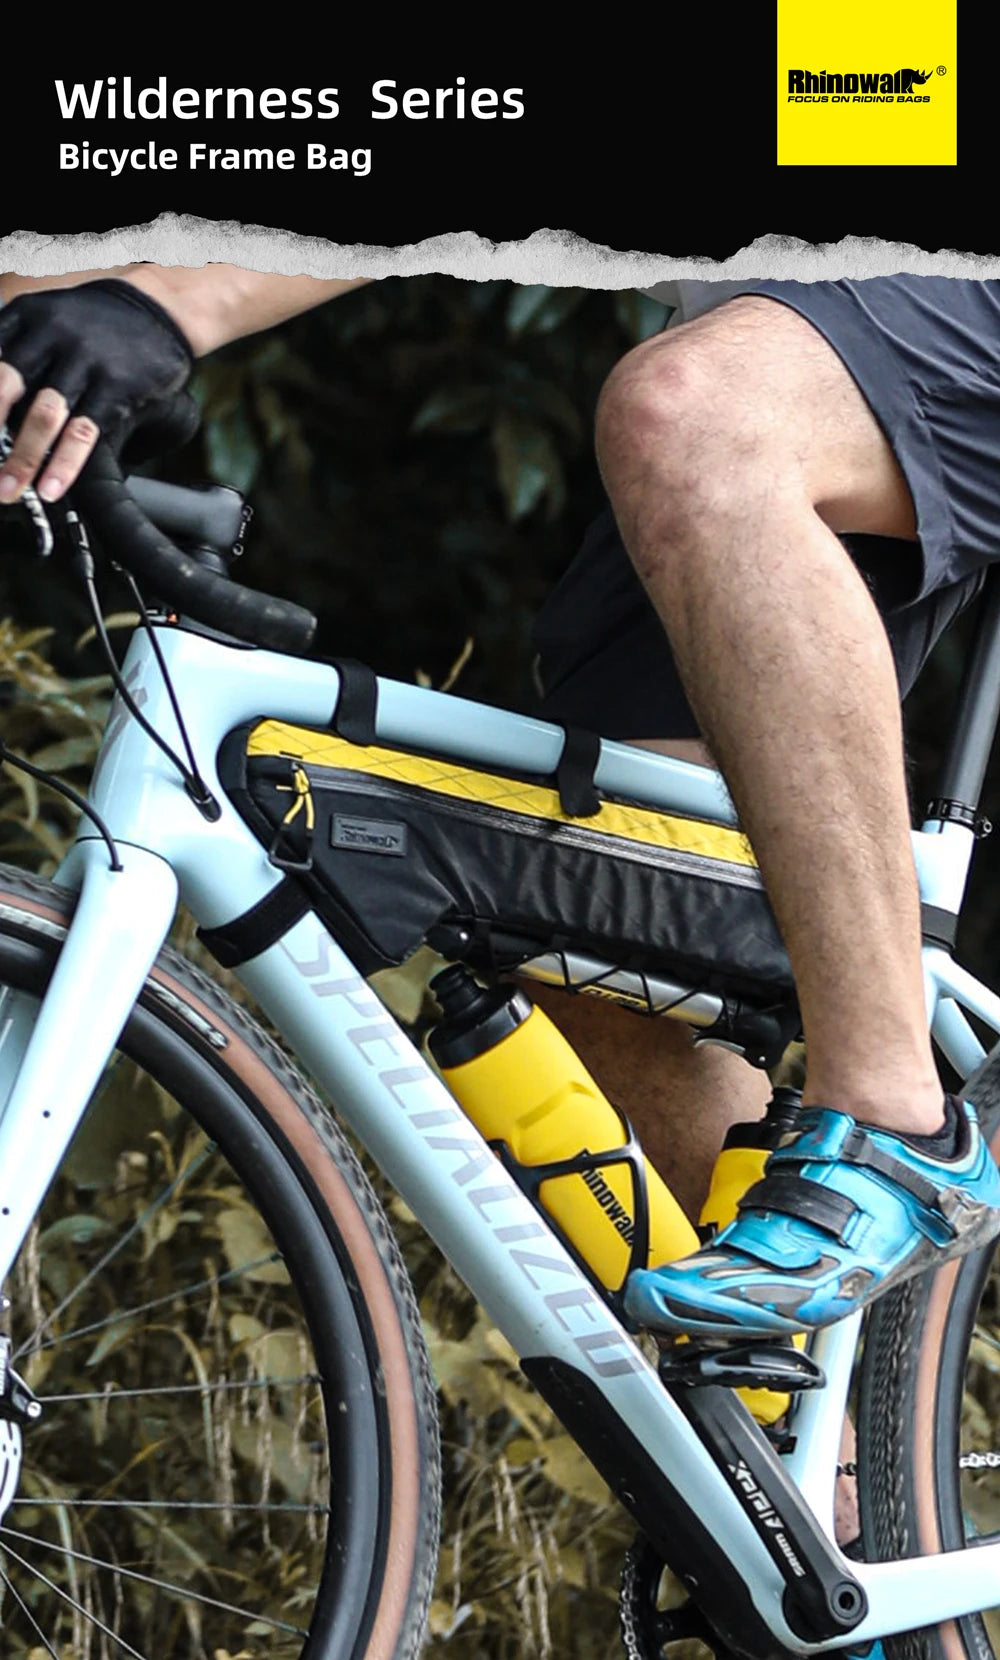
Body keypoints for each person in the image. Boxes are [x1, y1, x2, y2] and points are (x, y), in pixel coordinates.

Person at [1, 265, 999, 1344]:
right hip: (822, 311)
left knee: (700, 417)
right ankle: (802, 1445)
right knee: (603, 928)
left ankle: (897, 1120)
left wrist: (166, 306)